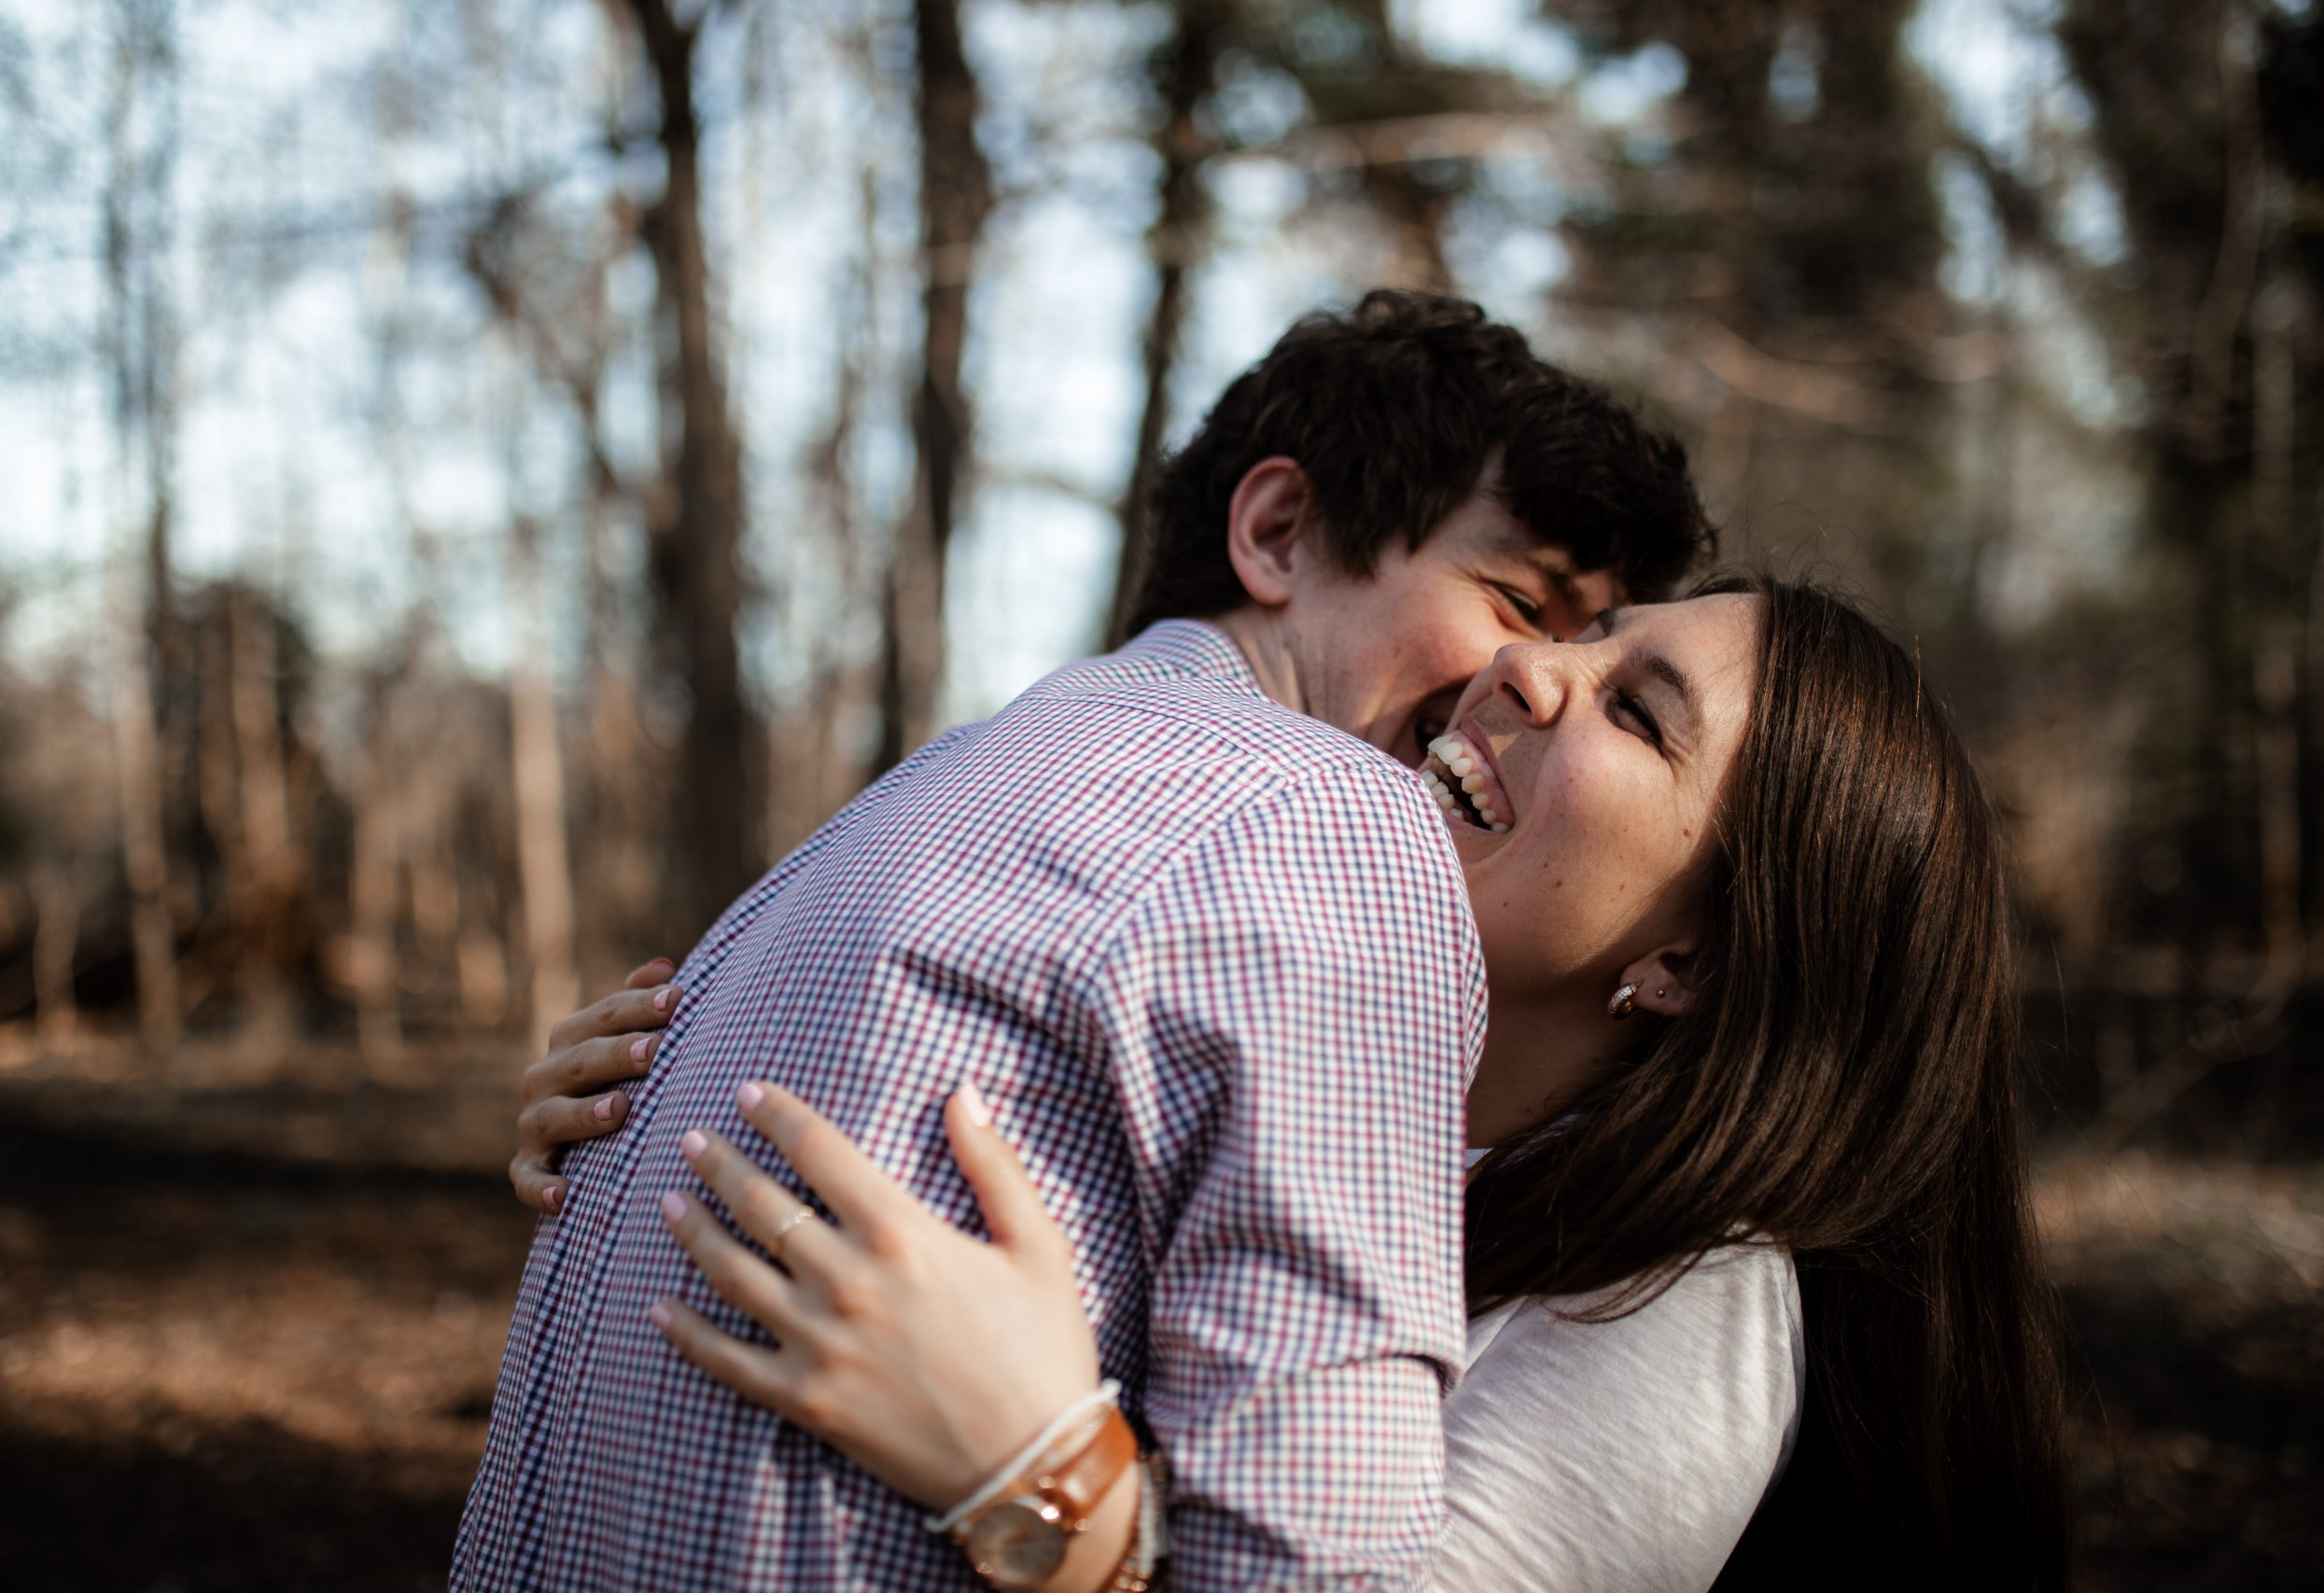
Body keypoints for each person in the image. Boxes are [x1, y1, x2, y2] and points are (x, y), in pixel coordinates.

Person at [453, 290, 1715, 1591]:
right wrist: (1059, 1504)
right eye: (1519, 602)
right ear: (1278, 531)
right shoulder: (1330, 818)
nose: (1526, 685)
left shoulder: (887, 816)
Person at [529, 577, 2072, 1590]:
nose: (1529, 668)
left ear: (1698, 964)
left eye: (1636, 711)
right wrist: (638, 1105)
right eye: (1585, 635)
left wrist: (1046, 1492)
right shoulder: (1308, 1068)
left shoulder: (1690, 1308)